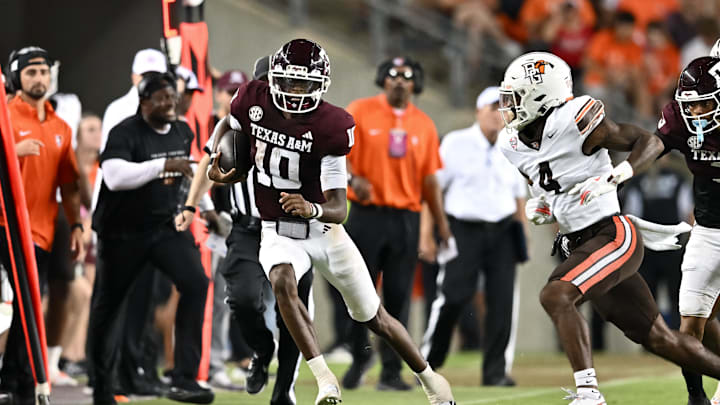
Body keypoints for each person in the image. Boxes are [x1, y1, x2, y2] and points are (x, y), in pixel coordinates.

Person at [208, 38, 455, 405]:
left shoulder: (331, 125)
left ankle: (432, 381)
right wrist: (219, 160)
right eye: (289, 82)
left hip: (325, 231)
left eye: (303, 84)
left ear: (320, 85)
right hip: (277, 229)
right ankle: (326, 381)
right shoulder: (251, 100)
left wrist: (311, 208)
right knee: (282, 281)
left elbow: (339, 207)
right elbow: (228, 130)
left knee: (376, 318)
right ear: (273, 79)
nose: (294, 92)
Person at [497, 51, 720, 405]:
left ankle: (588, 394)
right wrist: (540, 202)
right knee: (660, 339)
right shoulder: (511, 143)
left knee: (556, 294)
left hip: (611, 235)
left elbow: (645, 140)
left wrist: (621, 173)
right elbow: (543, 181)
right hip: (577, 242)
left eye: (515, 97)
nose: (507, 106)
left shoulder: (575, 120)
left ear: (542, 96)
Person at [88, 72, 213, 405]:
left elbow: (190, 170)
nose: (170, 103)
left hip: (163, 226)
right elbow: (114, 177)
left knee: (197, 283)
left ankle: (184, 378)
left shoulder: (182, 130)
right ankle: (102, 385)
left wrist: (208, 207)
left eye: (172, 96)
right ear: (144, 102)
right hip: (122, 233)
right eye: (161, 97)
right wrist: (161, 166)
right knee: (109, 306)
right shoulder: (125, 132)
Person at [341, 55, 451, 391]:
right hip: (366, 215)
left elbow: (430, 181)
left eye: (406, 75)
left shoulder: (424, 124)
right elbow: (335, 158)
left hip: (406, 217)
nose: (399, 81)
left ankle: (391, 372)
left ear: (415, 82)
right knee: (358, 293)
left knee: (399, 296)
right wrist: (351, 177)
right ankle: (360, 358)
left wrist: (441, 224)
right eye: (392, 75)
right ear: (382, 79)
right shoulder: (359, 111)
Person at [420, 86, 527, 386]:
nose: (498, 114)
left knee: (502, 302)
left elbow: (519, 194)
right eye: (492, 107)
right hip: (463, 229)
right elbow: (434, 190)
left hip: (504, 231)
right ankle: (428, 366)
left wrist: (524, 233)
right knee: (452, 296)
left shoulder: (515, 145)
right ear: (479, 111)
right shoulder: (456, 143)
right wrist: (426, 234)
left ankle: (495, 372)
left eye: (504, 108)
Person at [0, 46, 85, 405]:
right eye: (31, 72)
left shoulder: (61, 127)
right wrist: (10, 152)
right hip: (4, 224)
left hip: (41, 231)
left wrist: (77, 226)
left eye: (43, 72)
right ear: (16, 77)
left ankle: (16, 383)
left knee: (28, 309)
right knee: (11, 305)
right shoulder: (3, 115)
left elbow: (69, 183)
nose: (39, 79)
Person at [652, 56, 720, 405]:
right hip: (708, 229)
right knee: (690, 324)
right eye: (691, 106)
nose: (698, 114)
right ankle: (696, 397)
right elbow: (655, 143)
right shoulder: (682, 118)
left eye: (705, 104)